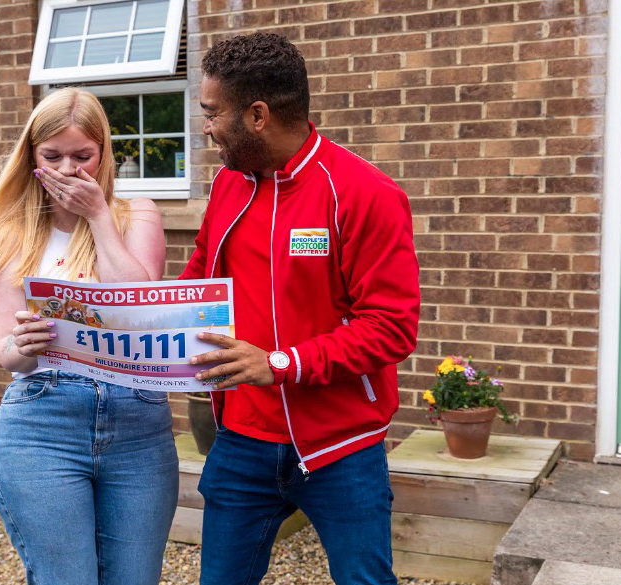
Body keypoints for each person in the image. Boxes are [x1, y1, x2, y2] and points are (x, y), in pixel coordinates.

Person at [181, 34, 421, 585]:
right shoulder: (227, 184)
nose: (207, 127)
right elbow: (200, 279)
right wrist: (132, 327)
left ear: (257, 115)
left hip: (341, 448)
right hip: (241, 439)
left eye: (213, 113)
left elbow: (390, 329)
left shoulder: (364, 193)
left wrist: (279, 363)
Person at [0, 88, 178, 585]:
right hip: (43, 421)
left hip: (136, 421)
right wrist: (22, 344)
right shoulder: (8, 231)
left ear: (104, 154)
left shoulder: (135, 214)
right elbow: (6, 354)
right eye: (52, 156)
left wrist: (99, 215)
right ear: (31, 155)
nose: (68, 169)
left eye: (83, 156)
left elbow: (141, 308)